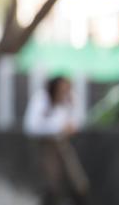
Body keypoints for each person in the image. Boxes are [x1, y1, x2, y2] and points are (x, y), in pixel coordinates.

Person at [24, 76, 88, 205]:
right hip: (46, 145)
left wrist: (72, 112)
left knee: (77, 181)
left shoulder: (69, 99)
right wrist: (58, 128)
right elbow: (31, 126)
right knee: (51, 182)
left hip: (63, 143)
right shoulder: (42, 99)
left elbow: (79, 121)